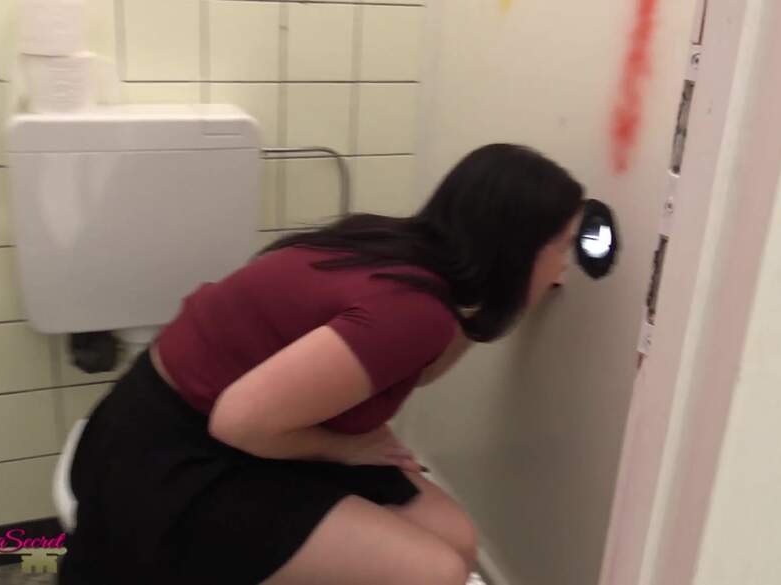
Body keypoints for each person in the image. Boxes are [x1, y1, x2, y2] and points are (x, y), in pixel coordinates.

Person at [58, 143, 585, 585]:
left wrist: (500, 300)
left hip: (241, 430)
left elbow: (414, 367)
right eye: (561, 247)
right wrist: (348, 449)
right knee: (437, 571)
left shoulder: (402, 255)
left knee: (459, 540)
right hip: (171, 458)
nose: (565, 265)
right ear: (517, 251)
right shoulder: (410, 308)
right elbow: (238, 421)